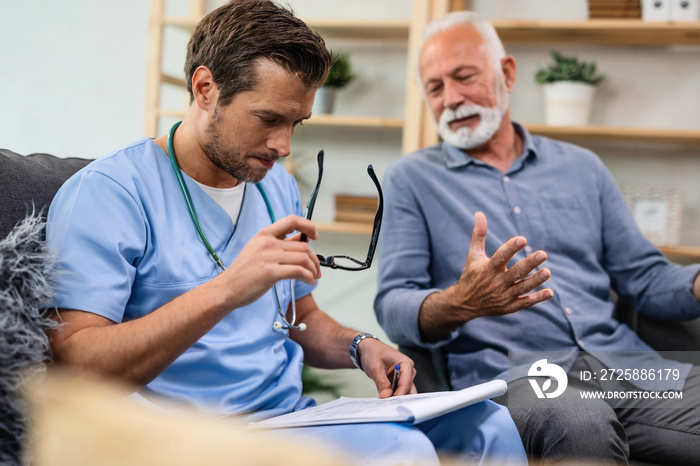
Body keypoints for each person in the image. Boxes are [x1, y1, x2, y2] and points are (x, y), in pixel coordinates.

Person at [45, 2, 527, 465]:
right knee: (404, 452)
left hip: (288, 422)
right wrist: (228, 289)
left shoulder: (274, 185)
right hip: (182, 437)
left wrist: (359, 346)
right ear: (205, 88)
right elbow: (77, 367)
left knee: (488, 427)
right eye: (269, 119)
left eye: (297, 122)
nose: (283, 145)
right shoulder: (109, 194)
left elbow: (299, 314)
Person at [375, 10, 700, 466]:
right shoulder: (412, 179)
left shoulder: (582, 167)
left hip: (626, 366)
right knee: (578, 426)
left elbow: (643, 276)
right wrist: (461, 302)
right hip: (522, 377)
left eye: (464, 77)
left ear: (506, 73)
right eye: (435, 87)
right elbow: (393, 304)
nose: (451, 98)